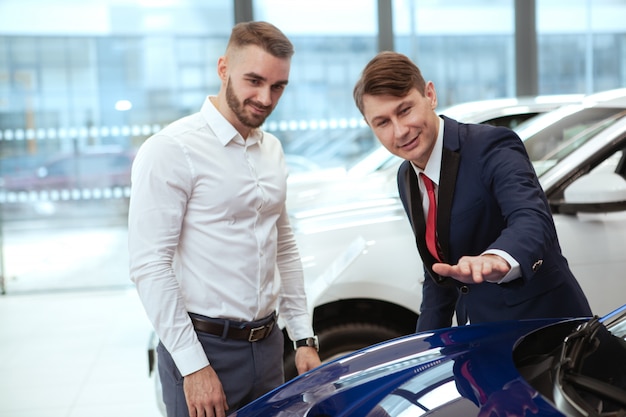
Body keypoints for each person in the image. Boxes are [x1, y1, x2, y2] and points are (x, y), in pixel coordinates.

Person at [128, 21, 321, 417]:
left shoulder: (273, 150)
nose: (265, 97)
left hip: (268, 347)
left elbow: (283, 246)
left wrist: (303, 336)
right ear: (223, 69)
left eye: (278, 86)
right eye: (254, 80)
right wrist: (194, 366)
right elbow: (150, 266)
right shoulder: (170, 149)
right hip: (204, 348)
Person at [353, 51, 592, 332]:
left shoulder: (490, 145)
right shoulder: (406, 176)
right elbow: (438, 274)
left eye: (405, 110)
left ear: (430, 95)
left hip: (546, 332)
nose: (400, 131)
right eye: (382, 122)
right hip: (481, 339)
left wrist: (498, 257)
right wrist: (424, 349)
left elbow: (531, 218)